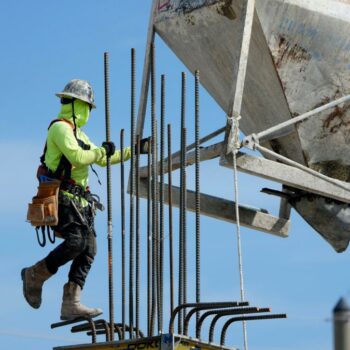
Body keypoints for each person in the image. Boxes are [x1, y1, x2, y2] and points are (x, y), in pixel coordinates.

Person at [21, 79, 148, 321]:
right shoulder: (59, 129)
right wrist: (101, 151)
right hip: (61, 197)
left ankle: (71, 302)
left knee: (89, 249)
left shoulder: (79, 133)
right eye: (86, 106)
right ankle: (35, 274)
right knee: (77, 242)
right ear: (77, 105)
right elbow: (78, 157)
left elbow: (101, 159)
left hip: (79, 202)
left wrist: (134, 149)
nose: (87, 111)